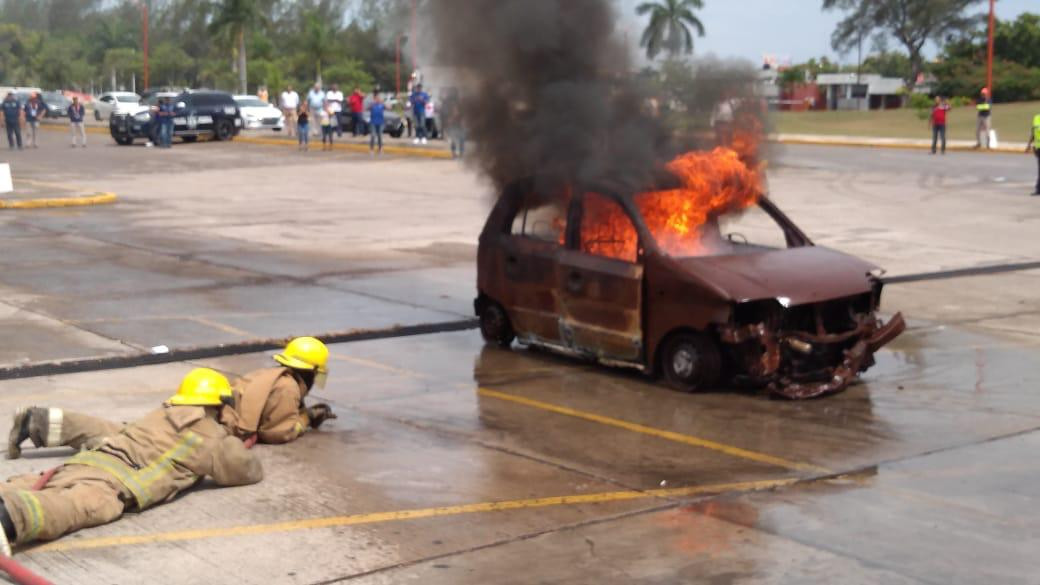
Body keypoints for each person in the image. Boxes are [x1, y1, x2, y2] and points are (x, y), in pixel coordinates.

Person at [0, 368, 262, 553]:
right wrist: (229, 432)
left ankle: (11, 487)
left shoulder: (160, 413)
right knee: (71, 505)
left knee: (35, 483)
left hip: (89, 460)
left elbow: (111, 430)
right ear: (220, 404)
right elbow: (248, 470)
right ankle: (8, 517)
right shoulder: (212, 438)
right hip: (114, 483)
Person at [7, 338, 336, 458]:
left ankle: (44, 421)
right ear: (310, 370)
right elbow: (276, 432)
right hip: (207, 423)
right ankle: (39, 421)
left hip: (199, 408)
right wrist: (306, 420)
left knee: (128, 434)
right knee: (129, 441)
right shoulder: (289, 387)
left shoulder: (272, 376)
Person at [440, 90, 465, 159]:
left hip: (459, 124)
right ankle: (455, 154)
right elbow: (446, 114)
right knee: (454, 139)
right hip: (453, 124)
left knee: (461, 139)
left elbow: (462, 114)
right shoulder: (449, 104)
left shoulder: (461, 104)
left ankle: (460, 154)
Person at [1028, 113, 1040, 196]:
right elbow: (1033, 133)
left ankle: (1038, 189)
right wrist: (1029, 144)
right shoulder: (1036, 118)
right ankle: (1038, 189)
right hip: (1038, 148)